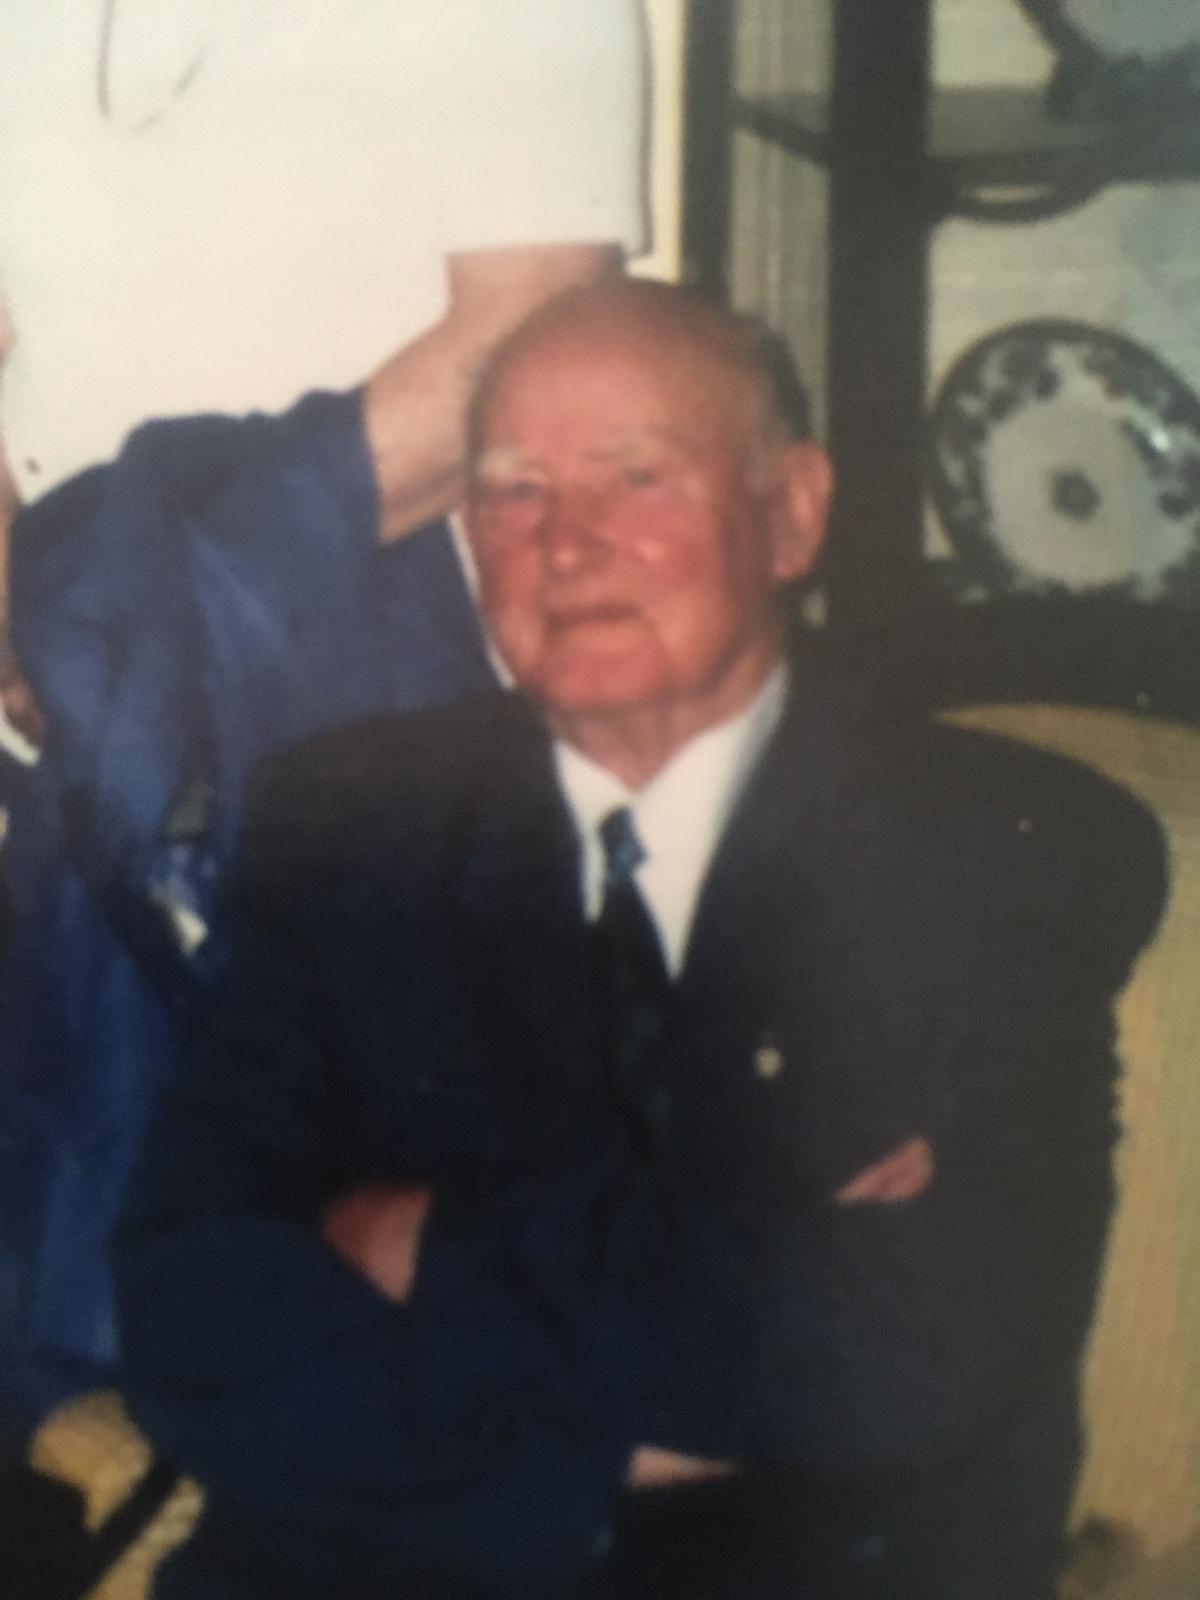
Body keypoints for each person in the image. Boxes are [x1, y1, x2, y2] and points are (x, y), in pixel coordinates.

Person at [114, 281, 1166, 1599]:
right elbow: (189, 1310)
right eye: (514, 491)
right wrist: (624, 1420)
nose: (566, 543)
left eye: (639, 477)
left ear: (793, 512)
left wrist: (425, 1247)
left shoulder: (1001, 843)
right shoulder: (350, 820)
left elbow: (922, 1355)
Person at [0, 0, 647, 1432]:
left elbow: (533, 324)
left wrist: (152, 616)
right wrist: (20, 596)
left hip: (376, 704)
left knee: (348, 1316)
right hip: (81, 704)